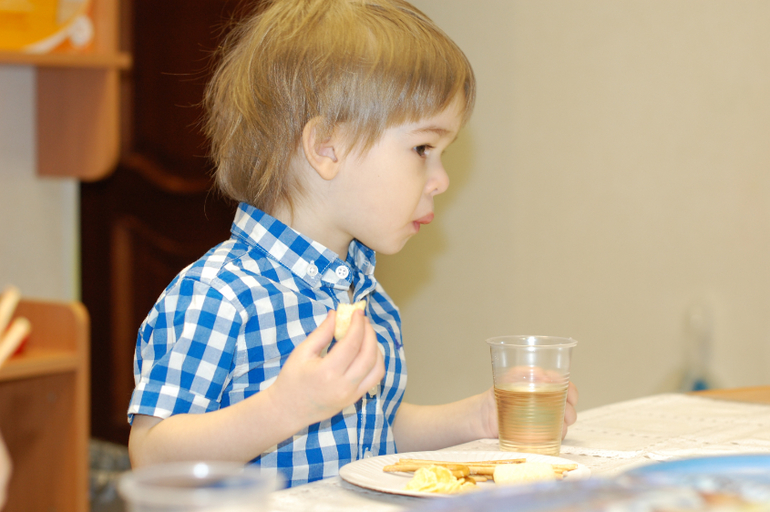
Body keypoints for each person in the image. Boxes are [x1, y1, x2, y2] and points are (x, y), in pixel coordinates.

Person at [127, 0, 578, 487]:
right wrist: (283, 409)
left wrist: (477, 419)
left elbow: (374, 433)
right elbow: (153, 458)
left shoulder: (367, 301)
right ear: (327, 147)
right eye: (423, 149)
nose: (442, 180)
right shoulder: (218, 296)